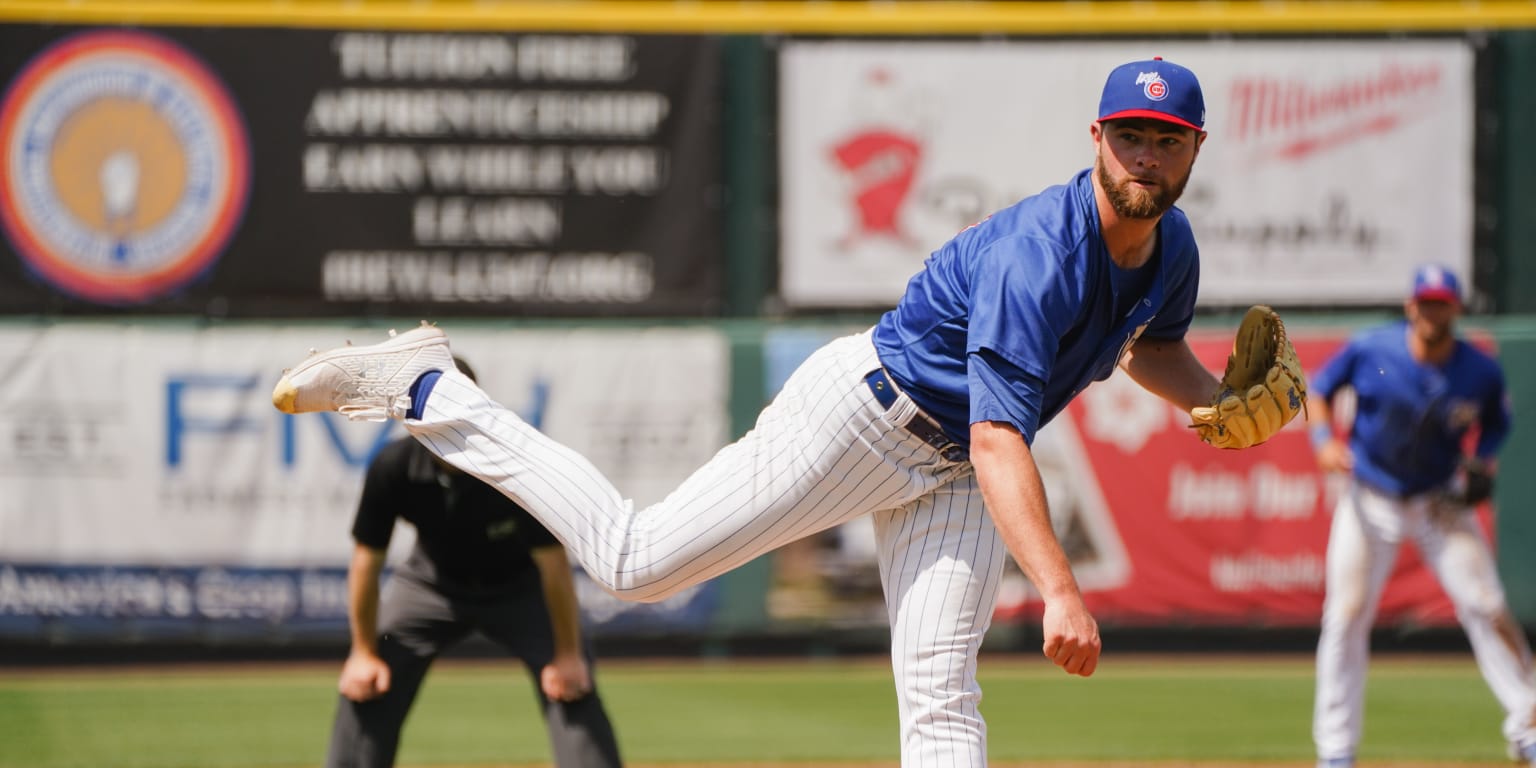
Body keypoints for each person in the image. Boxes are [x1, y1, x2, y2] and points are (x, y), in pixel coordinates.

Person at [277, 58, 1287, 767]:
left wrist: (1213, 402)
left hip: (951, 471)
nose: (1145, 156)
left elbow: (1147, 345)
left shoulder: (1174, 249)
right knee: (633, 563)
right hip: (867, 417)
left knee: (940, 696)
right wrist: (1059, 589)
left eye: (1167, 139)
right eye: (1129, 136)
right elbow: (996, 435)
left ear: (1194, 149)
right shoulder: (1042, 255)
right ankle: (430, 387)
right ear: (1097, 139)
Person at [324, 355, 624, 768]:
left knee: (571, 681)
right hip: (430, 584)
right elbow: (366, 563)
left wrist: (568, 653)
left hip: (520, 589)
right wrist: (362, 652)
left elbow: (553, 566)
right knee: (371, 675)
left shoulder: (514, 469)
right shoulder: (392, 466)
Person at [1308, 265, 1536, 768]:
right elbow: (1319, 390)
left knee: (1487, 604)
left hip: (1439, 499)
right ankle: (1336, 750)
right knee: (1345, 617)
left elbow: (1499, 421)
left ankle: (1528, 727)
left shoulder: (1478, 369)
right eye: (1425, 301)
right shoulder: (1373, 348)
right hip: (1370, 495)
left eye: (1442, 302)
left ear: (1455, 309)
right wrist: (1324, 441)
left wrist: (1485, 458)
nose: (1433, 310)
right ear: (1411, 306)